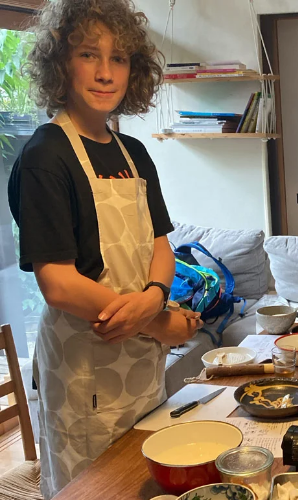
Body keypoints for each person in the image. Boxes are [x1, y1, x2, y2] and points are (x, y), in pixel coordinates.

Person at [7, 0, 201, 496]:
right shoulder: (45, 155)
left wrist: (156, 297)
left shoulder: (132, 152)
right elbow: (59, 283)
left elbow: (161, 244)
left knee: (145, 477)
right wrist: (158, 322)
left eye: (119, 58)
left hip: (140, 358)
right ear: (59, 63)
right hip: (82, 363)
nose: (105, 72)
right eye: (89, 54)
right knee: (93, 486)